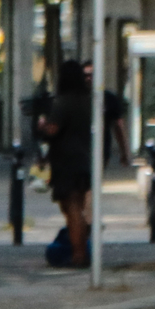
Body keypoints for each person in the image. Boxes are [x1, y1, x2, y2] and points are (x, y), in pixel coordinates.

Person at [42, 62, 96, 266]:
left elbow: (52, 130)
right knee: (78, 207)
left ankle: (79, 254)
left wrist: (42, 126)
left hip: (66, 161)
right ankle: (82, 250)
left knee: (71, 208)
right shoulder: (87, 101)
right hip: (83, 158)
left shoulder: (63, 102)